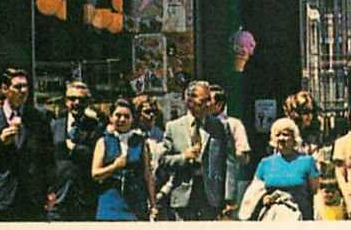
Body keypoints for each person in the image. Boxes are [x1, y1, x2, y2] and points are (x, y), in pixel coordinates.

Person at [0, 67, 57, 222]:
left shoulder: (39, 117)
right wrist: (0, 142)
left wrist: (51, 190)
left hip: (33, 196)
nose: (23, 91)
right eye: (18, 87)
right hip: (2, 195)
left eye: (25, 86)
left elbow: (48, 156)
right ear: (5, 89)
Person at [159, 80, 231, 220]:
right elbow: (163, 160)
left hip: (210, 196)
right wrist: (183, 157)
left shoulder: (219, 127)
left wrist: (228, 197)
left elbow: (229, 162)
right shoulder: (173, 128)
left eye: (209, 100)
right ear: (189, 101)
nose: (209, 104)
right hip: (183, 194)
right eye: (203, 100)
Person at [92, 98, 157, 221]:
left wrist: (153, 204)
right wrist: (114, 167)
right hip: (110, 203)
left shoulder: (140, 141)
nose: (122, 119)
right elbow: (95, 173)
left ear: (132, 119)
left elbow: (148, 174)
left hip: (135, 204)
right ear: (111, 118)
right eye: (118, 115)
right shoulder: (103, 141)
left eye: (126, 116)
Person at [50, 81, 103, 222]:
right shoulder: (54, 126)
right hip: (58, 199)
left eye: (82, 99)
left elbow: (95, 155)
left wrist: (73, 147)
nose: (77, 103)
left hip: (84, 199)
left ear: (88, 102)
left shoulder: (95, 127)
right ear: (66, 101)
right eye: (72, 98)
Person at [246, 119, 319, 220]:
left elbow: (316, 192)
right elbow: (253, 193)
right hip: (270, 217)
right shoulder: (265, 163)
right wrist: (263, 199)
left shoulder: (307, 161)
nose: (281, 138)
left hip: (300, 217)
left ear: (294, 138)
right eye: (277, 135)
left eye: (285, 134)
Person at [209, 86, 252, 218]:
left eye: (208, 101)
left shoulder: (234, 124)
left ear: (219, 104)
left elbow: (244, 157)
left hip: (229, 184)